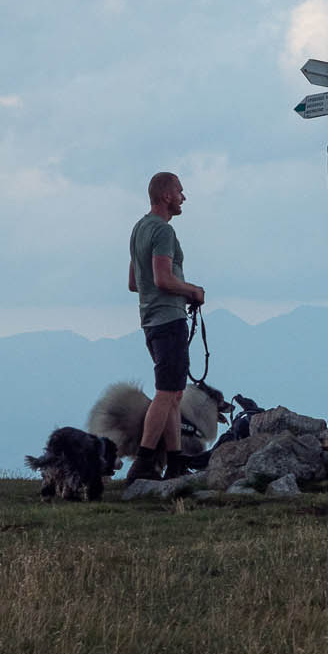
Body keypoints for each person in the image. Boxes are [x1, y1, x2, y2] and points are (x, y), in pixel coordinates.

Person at [126, 171, 206, 480]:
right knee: (166, 393)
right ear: (166, 196)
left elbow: (135, 282)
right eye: (180, 192)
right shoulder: (163, 232)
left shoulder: (138, 229)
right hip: (168, 319)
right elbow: (162, 278)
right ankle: (144, 461)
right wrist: (192, 291)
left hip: (149, 320)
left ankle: (175, 462)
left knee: (173, 393)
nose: (184, 197)